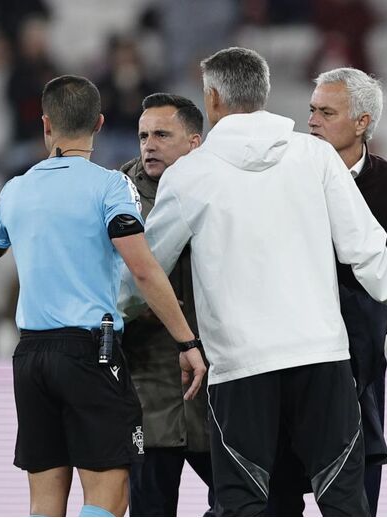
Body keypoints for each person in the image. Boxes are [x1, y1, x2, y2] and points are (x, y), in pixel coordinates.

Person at [119, 47, 387, 516]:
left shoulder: (191, 175)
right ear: (266, 93)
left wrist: (111, 318)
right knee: (344, 502)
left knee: (245, 503)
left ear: (212, 98)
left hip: (240, 367)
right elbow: (365, 251)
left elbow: (145, 273)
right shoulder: (315, 155)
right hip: (323, 359)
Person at [0, 75, 207, 517]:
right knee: (108, 498)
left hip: (30, 355)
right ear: (100, 123)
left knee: (44, 502)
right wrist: (187, 341)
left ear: (46, 125)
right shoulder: (110, 186)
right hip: (90, 353)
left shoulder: (15, 189)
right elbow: (142, 268)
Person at [267, 67, 387, 516]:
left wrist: (362, 320)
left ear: (362, 122)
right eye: (311, 110)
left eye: (326, 112)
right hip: (284, 372)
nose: (313, 121)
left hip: (358, 377)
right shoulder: (281, 176)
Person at [119, 92, 215, 516]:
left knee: (249, 504)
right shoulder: (115, 197)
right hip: (146, 392)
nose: (148, 145)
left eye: (161, 134)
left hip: (213, 391)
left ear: (194, 142)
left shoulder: (223, 190)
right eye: (143, 136)